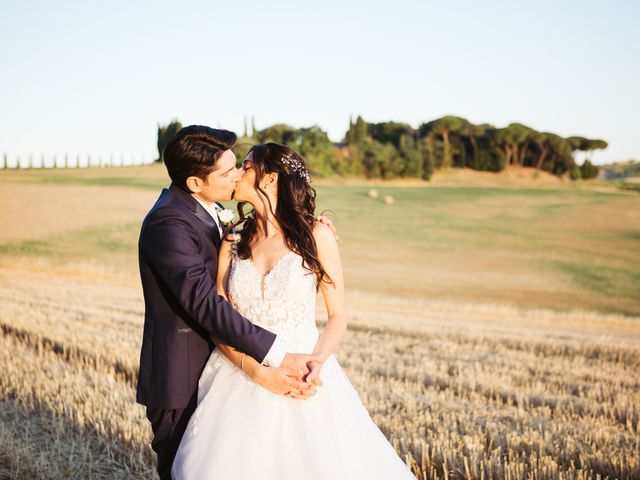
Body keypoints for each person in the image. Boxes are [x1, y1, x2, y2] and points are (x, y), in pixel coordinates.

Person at [172, 143, 415, 479]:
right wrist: (253, 369)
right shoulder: (232, 239)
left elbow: (337, 316)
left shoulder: (316, 235)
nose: (237, 174)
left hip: (301, 367)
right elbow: (217, 317)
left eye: (245, 166)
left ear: (270, 179)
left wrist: (317, 363)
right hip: (237, 371)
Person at [136, 126, 322, 479]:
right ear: (195, 183)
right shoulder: (168, 223)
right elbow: (205, 304)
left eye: (237, 166)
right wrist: (276, 354)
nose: (238, 174)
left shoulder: (212, 208)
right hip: (183, 376)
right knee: (187, 470)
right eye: (228, 172)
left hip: (222, 365)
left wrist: (309, 225)